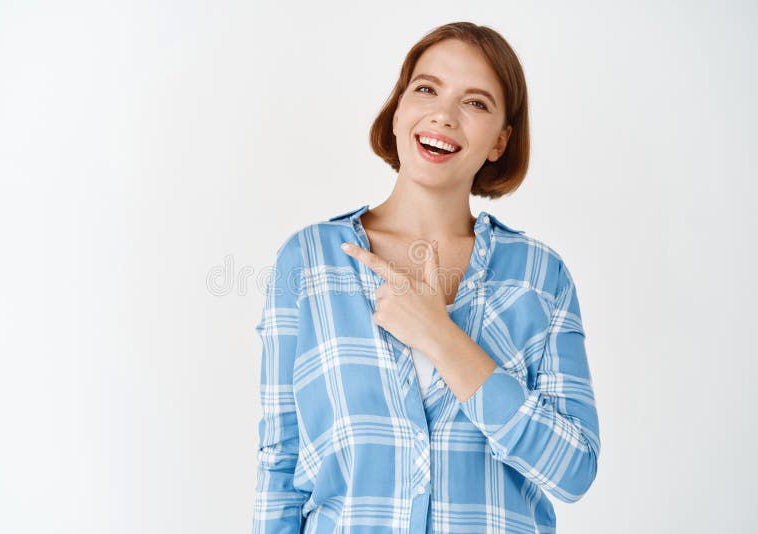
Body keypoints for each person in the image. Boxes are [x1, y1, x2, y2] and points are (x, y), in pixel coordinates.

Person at [251, 21, 600, 533]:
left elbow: (574, 471)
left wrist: (440, 335)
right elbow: (279, 464)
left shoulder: (539, 277)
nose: (444, 114)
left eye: (475, 103)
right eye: (427, 89)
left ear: (500, 141)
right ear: (398, 110)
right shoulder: (307, 262)